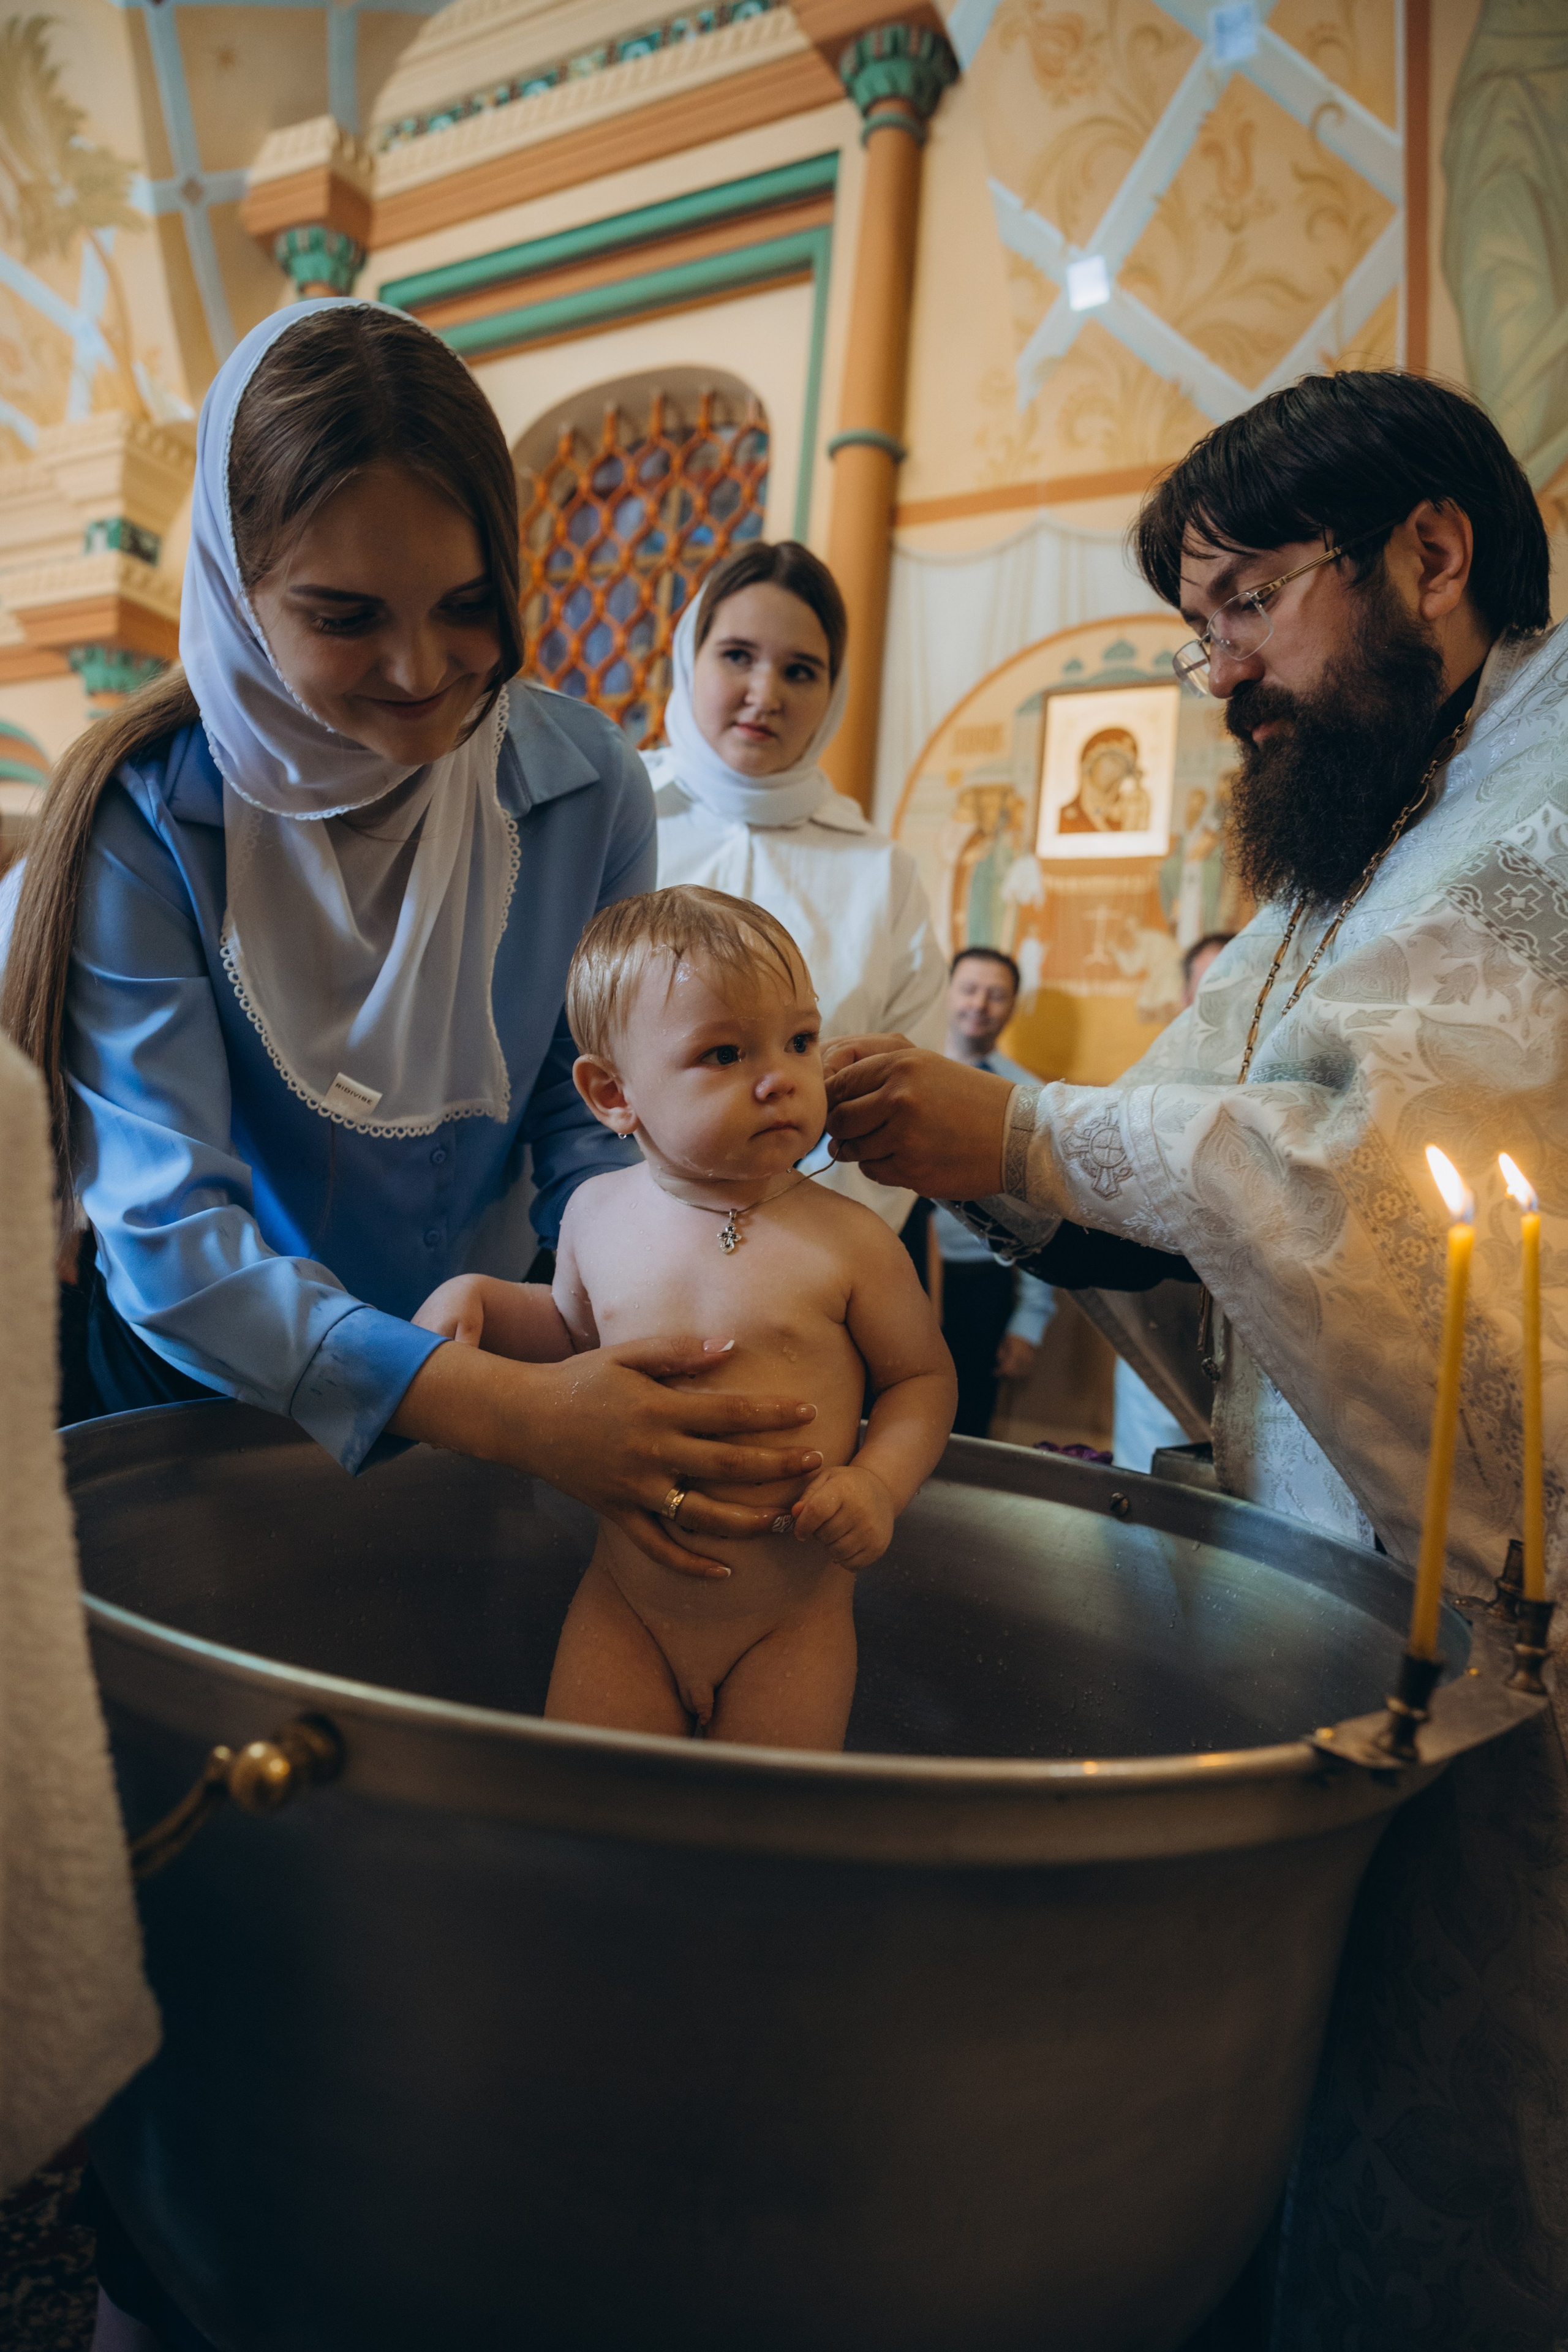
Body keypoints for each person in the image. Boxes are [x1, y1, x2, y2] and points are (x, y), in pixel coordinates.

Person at [820, 368, 1568, 2336]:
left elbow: (1360, 1156)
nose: (1216, 668)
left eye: (1242, 600)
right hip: (1354, 1574)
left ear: (1427, 550)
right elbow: (1197, 1156)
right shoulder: (1369, 835)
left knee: (1479, 2122)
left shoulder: (1543, 801)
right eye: (1193, 626)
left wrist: (1028, 1133)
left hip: (1515, 1611)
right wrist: (987, 1161)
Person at [415, 888, 955, 1751]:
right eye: (725, 1052)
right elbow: (571, 1337)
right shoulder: (594, 1215)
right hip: (626, 1607)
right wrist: (482, 1299)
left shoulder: (851, 1241)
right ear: (613, 1093)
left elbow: (921, 1379)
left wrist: (878, 1485)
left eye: (801, 1041)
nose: (780, 1077)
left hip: (791, 1622)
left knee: (758, 1844)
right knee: (594, 1817)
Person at [649, 540, 944, 1232]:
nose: (765, 694)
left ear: (834, 692)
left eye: (801, 670)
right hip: (599, 1239)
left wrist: (813, 1258)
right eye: (737, 656)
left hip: (809, 1261)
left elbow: (895, 1096)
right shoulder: (618, 818)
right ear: (690, 657)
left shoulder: (880, 874)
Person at [910, 945, 1055, 1438]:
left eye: (997, 995)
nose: (980, 1004)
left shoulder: (1029, 1098)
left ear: (1012, 1006)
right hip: (895, 1268)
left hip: (981, 1284)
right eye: (969, 989)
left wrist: (1028, 1323)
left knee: (966, 1425)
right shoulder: (901, 1076)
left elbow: (1042, 1216)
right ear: (947, 993)